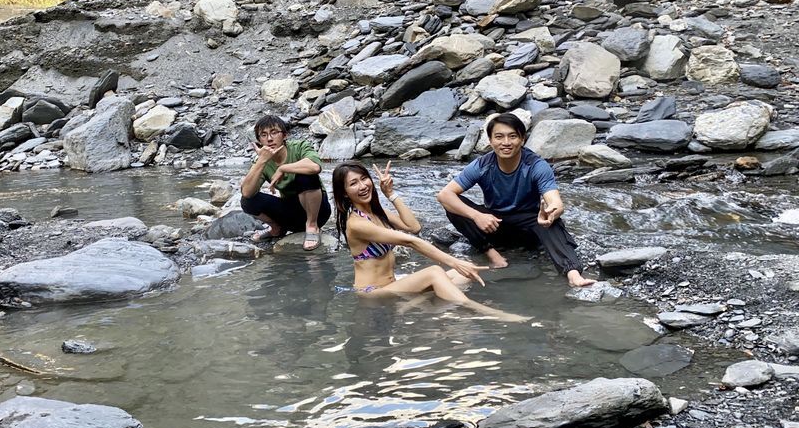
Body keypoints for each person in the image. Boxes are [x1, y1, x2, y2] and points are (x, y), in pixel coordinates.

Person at [332, 161, 515, 318]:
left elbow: (413, 227)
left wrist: (391, 194)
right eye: (353, 183)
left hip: (393, 284)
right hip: (372, 293)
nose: (363, 186)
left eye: (364, 179)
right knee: (435, 272)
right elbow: (411, 241)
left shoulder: (377, 213)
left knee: (463, 274)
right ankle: (482, 311)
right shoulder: (356, 224)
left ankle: (416, 301)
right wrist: (454, 261)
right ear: (345, 193)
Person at [436, 112, 595, 288]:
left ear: (522, 140)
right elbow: (444, 195)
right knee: (453, 204)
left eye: (512, 136)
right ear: (490, 140)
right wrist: (476, 216)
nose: (506, 142)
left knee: (551, 221)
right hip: (494, 224)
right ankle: (492, 255)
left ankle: (573, 273)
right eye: (499, 137)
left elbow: (555, 201)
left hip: (529, 227)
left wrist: (551, 212)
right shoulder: (482, 165)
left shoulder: (536, 165)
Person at [241, 114, 331, 251]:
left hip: (318, 211)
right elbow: (247, 192)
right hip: (290, 214)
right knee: (247, 200)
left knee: (305, 175)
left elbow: (315, 167)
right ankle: (277, 229)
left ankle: (312, 226)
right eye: (263, 135)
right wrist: (261, 161)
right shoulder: (262, 160)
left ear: (285, 135)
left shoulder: (299, 147)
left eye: (274, 132)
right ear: (259, 140)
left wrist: (283, 168)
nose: (269, 139)